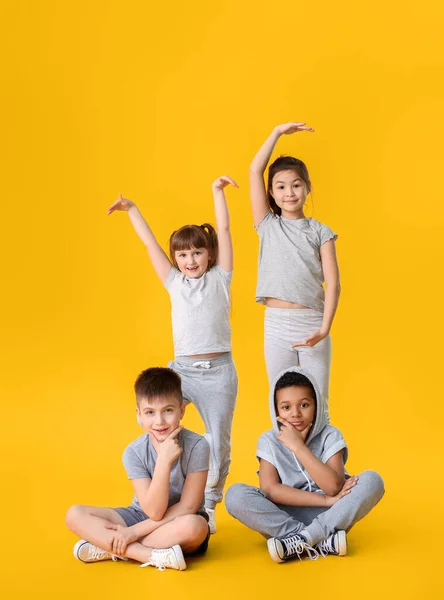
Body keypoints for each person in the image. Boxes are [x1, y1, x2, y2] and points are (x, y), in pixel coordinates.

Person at [107, 177, 238, 533]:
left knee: (219, 439)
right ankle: (154, 493)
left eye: (196, 252)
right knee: (162, 425)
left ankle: (207, 505)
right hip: (182, 370)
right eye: (182, 254)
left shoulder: (221, 277)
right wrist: (132, 209)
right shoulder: (173, 282)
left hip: (219, 372)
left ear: (209, 254)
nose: (189, 260)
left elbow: (223, 228)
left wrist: (216, 192)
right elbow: (150, 243)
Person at [225, 368, 384, 563]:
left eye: (304, 405)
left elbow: (333, 487)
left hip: (333, 514)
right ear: (275, 410)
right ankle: (316, 539)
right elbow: (270, 489)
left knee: (372, 480)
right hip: (285, 515)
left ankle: (301, 541)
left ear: (316, 406)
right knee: (235, 495)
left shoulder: (330, 434)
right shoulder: (268, 440)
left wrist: (298, 447)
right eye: (286, 407)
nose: (295, 414)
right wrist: (325, 500)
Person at [65, 367, 210, 571]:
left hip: (178, 519)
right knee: (74, 514)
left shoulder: (198, 446)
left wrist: (131, 533)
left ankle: (111, 547)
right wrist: (163, 461)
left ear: (182, 410)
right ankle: (147, 555)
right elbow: (152, 511)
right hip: (140, 515)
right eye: (150, 412)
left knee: (195, 527)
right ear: (139, 414)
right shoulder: (133, 452)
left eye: (168, 410)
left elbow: (187, 507)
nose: (159, 421)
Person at [249, 122, 340, 413]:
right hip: (275, 325)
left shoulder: (320, 231)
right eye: (281, 186)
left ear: (307, 187)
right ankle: (286, 459)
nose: (289, 192)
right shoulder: (267, 225)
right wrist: (275, 133)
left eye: (296, 184)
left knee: (317, 401)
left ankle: (320, 459)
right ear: (271, 194)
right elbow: (254, 171)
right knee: (280, 401)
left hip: (311, 323)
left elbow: (334, 284)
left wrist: (324, 329)